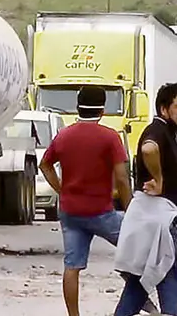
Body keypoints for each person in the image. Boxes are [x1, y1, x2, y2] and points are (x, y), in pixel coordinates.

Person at [40, 86, 132, 316]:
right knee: (135, 250)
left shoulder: (64, 135)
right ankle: (138, 300)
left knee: (72, 266)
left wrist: (61, 190)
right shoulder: (110, 137)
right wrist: (131, 209)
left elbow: (45, 164)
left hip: (70, 211)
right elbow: (122, 178)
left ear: (78, 107)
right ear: (102, 110)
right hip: (101, 211)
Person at [115, 83, 177, 316]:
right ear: (164, 110)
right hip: (155, 217)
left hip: (157, 216)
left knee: (154, 274)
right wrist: (158, 179)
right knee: (161, 272)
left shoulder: (168, 133)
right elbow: (148, 149)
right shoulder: (156, 130)